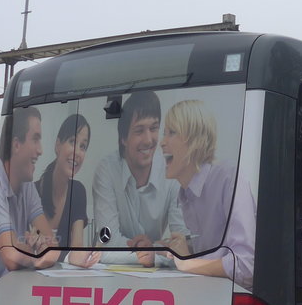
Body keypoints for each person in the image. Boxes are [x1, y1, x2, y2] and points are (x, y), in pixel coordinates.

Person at [159, 99, 255, 289]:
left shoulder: (228, 178)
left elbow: (245, 266)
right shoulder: (185, 193)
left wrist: (188, 263)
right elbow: (211, 253)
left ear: (194, 140)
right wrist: (177, 251)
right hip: (208, 295)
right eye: (164, 133)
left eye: (172, 132)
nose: (162, 143)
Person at [91, 90, 186, 267]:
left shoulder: (171, 172)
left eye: (154, 128)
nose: (148, 140)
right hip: (111, 274)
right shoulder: (107, 170)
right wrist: (154, 251)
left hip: (155, 276)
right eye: (139, 131)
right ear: (123, 138)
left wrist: (153, 250)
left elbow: (182, 246)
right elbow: (107, 243)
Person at [0, 107, 59, 283]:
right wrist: (37, 253)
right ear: (16, 145)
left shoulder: (27, 185)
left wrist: (31, 250)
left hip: (16, 288)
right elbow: (11, 258)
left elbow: (53, 246)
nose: (40, 150)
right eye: (35, 139)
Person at [35, 113, 100, 270]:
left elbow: (76, 246)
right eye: (72, 142)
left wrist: (83, 257)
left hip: (61, 279)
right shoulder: (31, 193)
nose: (77, 152)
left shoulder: (77, 191)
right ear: (58, 145)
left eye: (83, 146)